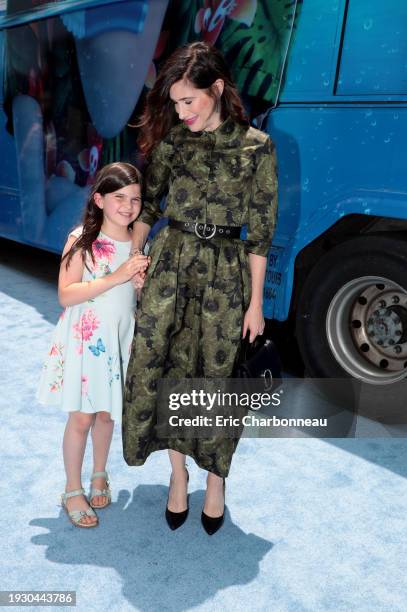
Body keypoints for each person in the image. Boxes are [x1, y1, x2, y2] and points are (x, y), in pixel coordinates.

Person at [123, 42, 278, 534]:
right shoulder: (173, 144)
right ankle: (176, 474)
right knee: (164, 367)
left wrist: (256, 303)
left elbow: (261, 231)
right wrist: (135, 260)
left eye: (190, 100)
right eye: (175, 103)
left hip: (226, 273)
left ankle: (215, 479)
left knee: (217, 378)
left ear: (216, 89)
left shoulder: (257, 146)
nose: (182, 111)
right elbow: (148, 207)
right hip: (172, 266)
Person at [37, 163, 149, 528]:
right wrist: (116, 276)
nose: (128, 206)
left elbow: (137, 297)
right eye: (119, 198)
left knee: (106, 413)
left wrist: (139, 284)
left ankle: (100, 473)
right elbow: (66, 294)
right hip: (87, 340)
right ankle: (72, 488)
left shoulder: (138, 242)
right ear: (99, 199)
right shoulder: (82, 238)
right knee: (82, 416)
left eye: (135, 199)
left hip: (119, 337)